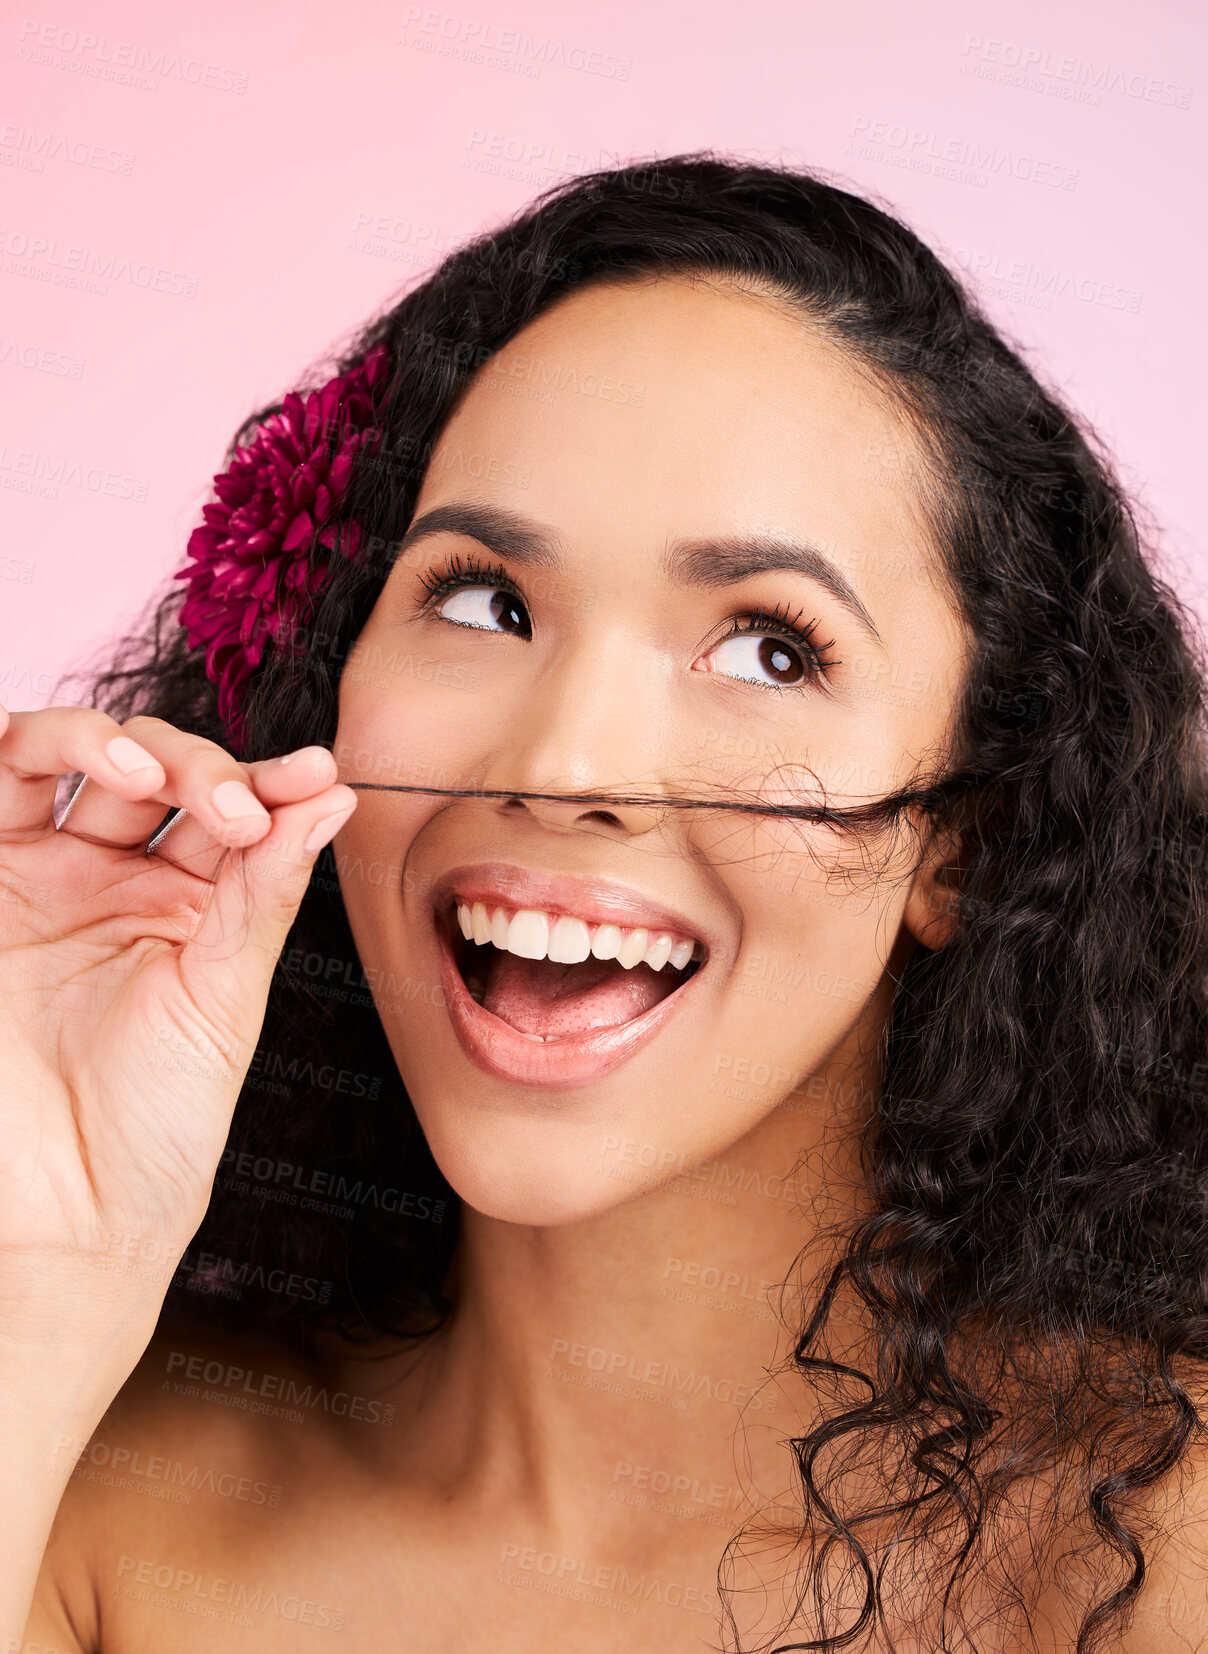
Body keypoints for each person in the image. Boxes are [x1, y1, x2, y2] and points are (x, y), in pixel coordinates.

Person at [4, 153, 1207, 1652]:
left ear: (968, 838)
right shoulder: (90, 1512)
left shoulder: (1158, 1545)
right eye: (484, 599)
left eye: (770, 646)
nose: (565, 763)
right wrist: (38, 1269)